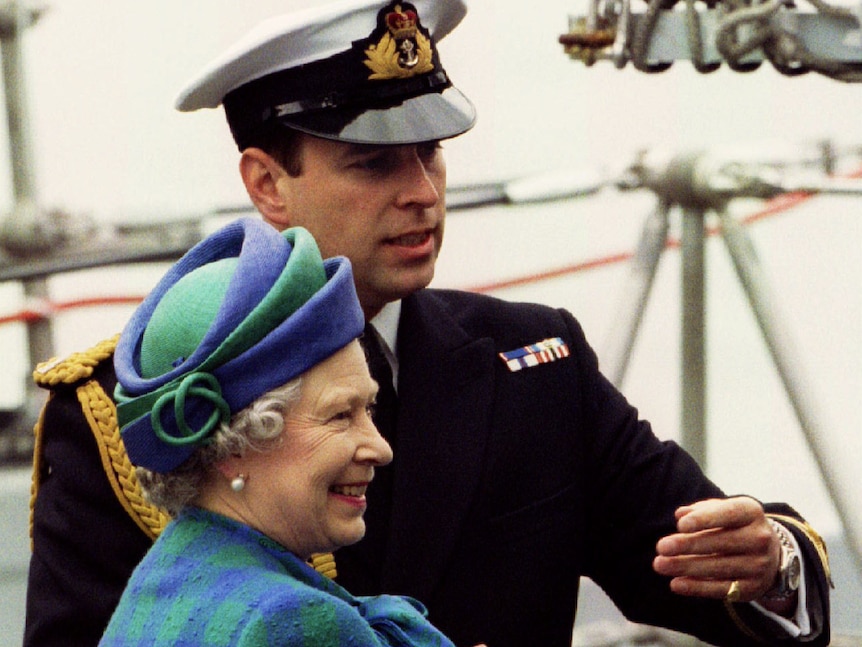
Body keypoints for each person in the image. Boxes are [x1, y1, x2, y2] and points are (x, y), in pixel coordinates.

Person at [25, 1, 832, 646]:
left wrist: (770, 564)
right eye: (374, 162)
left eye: (432, 153)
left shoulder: (534, 358)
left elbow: (691, 550)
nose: (423, 191)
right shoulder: (140, 405)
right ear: (267, 183)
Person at [97, 216, 468, 646]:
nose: (380, 448)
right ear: (230, 445)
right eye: (339, 416)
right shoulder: (294, 621)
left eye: (368, 407)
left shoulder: (167, 574)